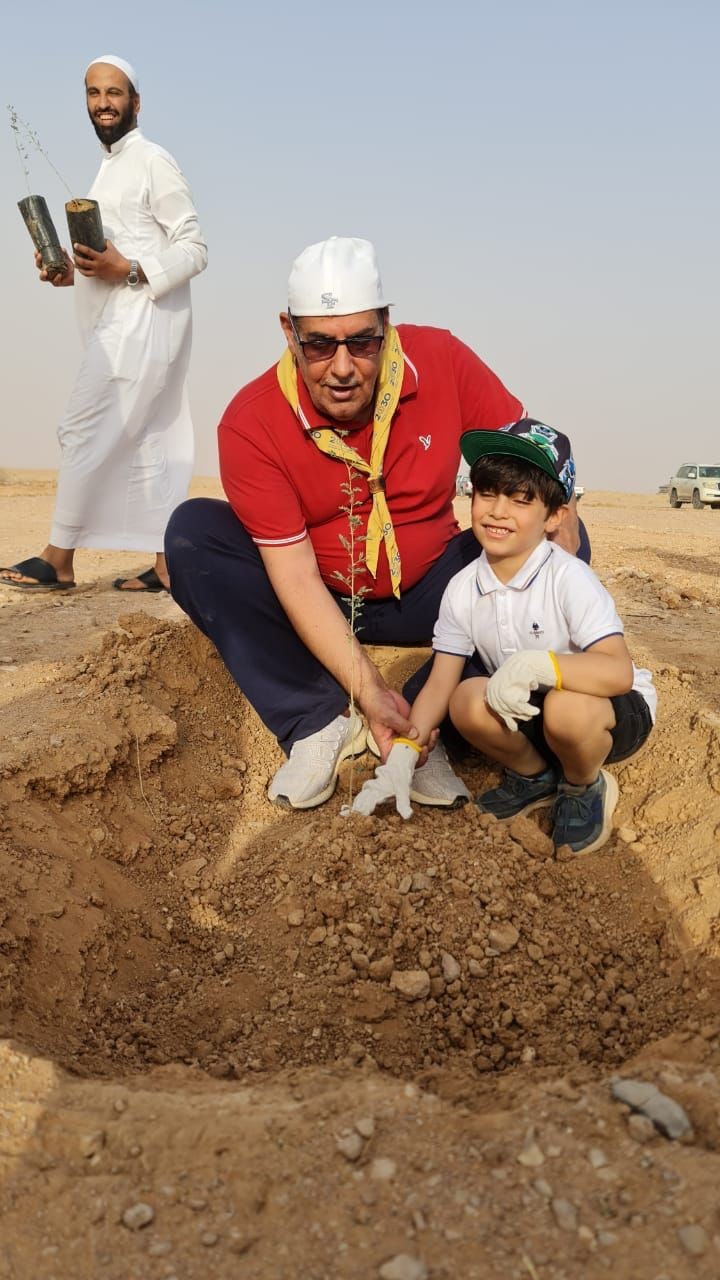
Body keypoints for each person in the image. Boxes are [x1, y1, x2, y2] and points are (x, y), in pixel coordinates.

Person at [165, 236, 587, 810]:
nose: (342, 368)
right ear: (289, 332)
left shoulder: (442, 359)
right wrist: (368, 692)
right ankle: (316, 720)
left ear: (386, 326)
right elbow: (294, 578)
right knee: (193, 532)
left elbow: (532, 456)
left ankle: (428, 721)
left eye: (362, 342)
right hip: (321, 596)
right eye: (319, 345)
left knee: (555, 546)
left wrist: (567, 514)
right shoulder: (251, 421)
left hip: (434, 592)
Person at [353, 420, 656, 855]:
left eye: (521, 499)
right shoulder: (463, 588)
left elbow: (617, 672)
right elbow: (440, 682)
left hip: (601, 713)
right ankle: (535, 777)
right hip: (530, 716)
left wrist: (539, 665)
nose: (498, 511)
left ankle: (583, 784)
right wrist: (405, 750)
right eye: (487, 493)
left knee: (566, 708)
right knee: (465, 699)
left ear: (555, 516)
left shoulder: (568, 577)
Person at [1, 54, 207, 593]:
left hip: (143, 326)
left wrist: (130, 269)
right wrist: (73, 273)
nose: (103, 103)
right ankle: (168, 565)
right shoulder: (107, 168)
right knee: (151, 440)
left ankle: (59, 558)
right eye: (93, 93)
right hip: (121, 323)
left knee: (81, 428)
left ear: (136, 102)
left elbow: (194, 248)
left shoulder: (153, 160)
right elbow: (114, 258)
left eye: (114, 93)